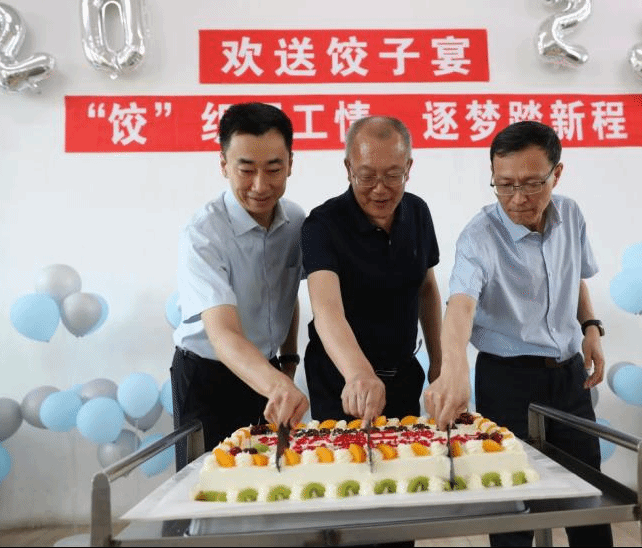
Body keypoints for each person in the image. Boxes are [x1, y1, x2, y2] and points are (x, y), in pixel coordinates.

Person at [424, 120, 613, 547]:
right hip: (507, 381)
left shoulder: (571, 215)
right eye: (504, 184)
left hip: (568, 377)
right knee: (512, 506)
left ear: (556, 174)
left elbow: (575, 277)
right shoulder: (479, 236)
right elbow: (460, 305)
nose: (517, 198)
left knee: (587, 498)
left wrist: (590, 326)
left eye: (531, 184)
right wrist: (454, 369)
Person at [171, 102, 309, 470]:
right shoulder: (203, 235)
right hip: (208, 375)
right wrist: (277, 384)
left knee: (270, 475)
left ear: (290, 164)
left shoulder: (296, 221)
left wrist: (288, 360)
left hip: (268, 371)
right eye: (246, 170)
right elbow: (224, 334)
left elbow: (287, 293)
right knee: (206, 483)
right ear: (224, 165)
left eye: (274, 169)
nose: (260, 186)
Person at [301, 116, 442, 425]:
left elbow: (427, 288)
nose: (380, 189)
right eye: (366, 176)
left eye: (393, 176)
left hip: (403, 375)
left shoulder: (417, 212)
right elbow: (327, 310)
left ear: (408, 168)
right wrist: (359, 374)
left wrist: (439, 362)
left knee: (409, 452)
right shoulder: (322, 225)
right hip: (343, 380)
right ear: (348, 168)